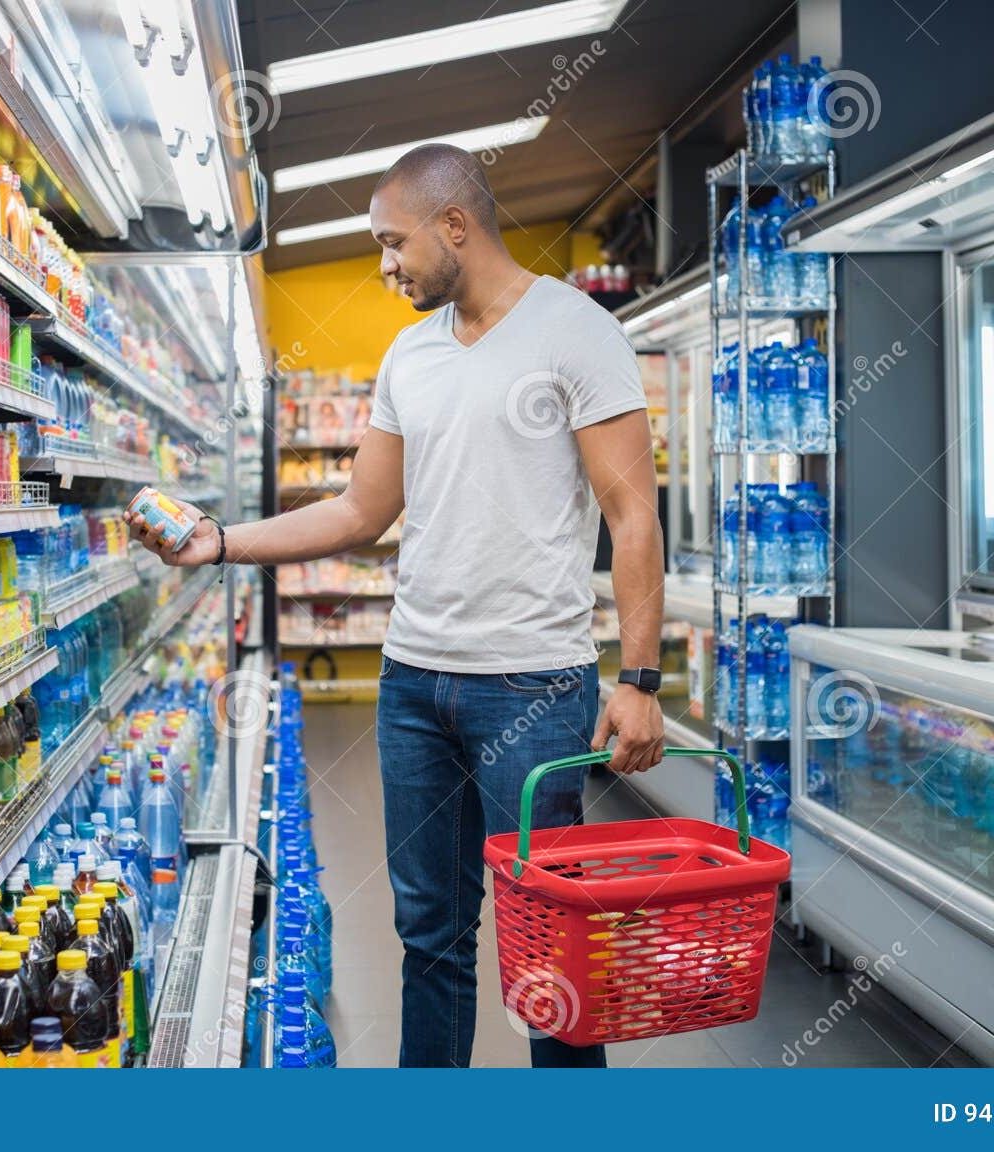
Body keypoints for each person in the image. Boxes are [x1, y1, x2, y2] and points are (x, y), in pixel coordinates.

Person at [126, 143, 666, 1068]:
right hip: (414, 683)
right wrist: (220, 542)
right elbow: (358, 511)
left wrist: (641, 678)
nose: (383, 265)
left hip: (532, 686)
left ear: (455, 226)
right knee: (430, 937)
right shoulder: (408, 355)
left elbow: (632, 511)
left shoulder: (577, 332)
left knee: (550, 946)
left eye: (392, 242)